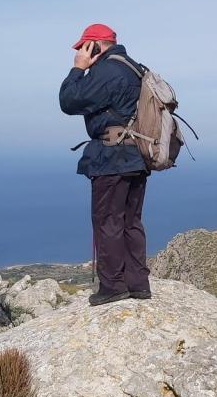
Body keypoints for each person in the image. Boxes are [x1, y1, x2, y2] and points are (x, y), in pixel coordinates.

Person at [59, 23, 152, 306]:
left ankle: (112, 285)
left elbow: (69, 101)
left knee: (108, 220)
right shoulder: (134, 67)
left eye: (84, 47)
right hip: (136, 155)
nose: (81, 52)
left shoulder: (107, 70)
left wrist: (78, 69)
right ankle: (138, 283)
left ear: (95, 45)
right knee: (130, 221)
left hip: (112, 158)